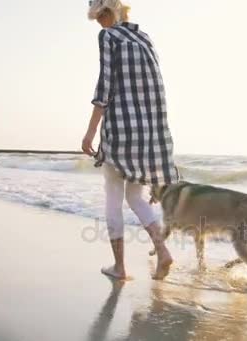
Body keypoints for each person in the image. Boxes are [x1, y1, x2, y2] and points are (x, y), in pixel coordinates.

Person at [82, 0, 180, 280]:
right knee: (135, 197)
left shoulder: (109, 36)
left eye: (99, 15)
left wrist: (90, 131)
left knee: (113, 198)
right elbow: (157, 90)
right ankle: (162, 252)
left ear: (108, 11)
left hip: (120, 131)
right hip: (148, 133)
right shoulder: (144, 38)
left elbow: (105, 86)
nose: (98, 22)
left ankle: (120, 267)